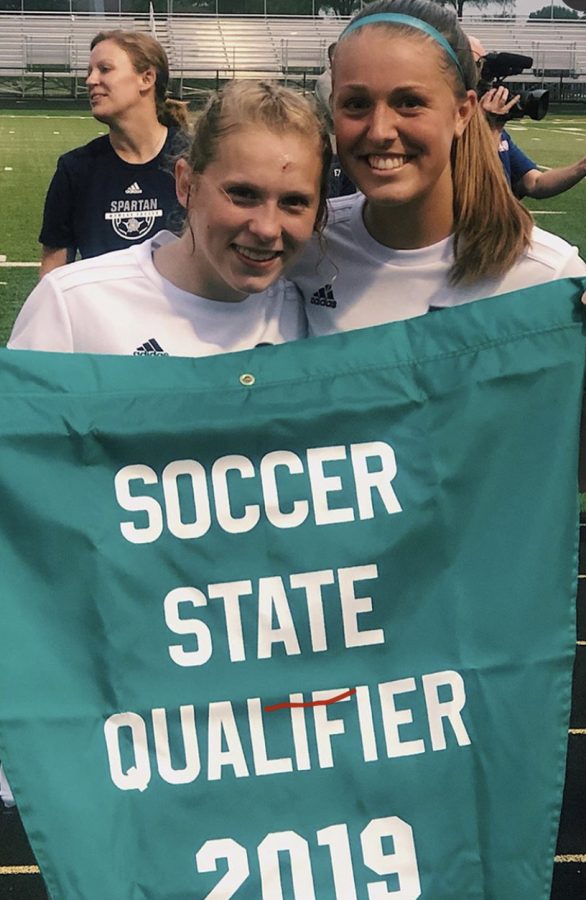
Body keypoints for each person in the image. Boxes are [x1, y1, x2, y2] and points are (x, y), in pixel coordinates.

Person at [290, 0, 586, 337]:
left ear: (462, 113)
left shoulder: (551, 279)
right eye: (356, 104)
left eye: (410, 102)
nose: (380, 131)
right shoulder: (303, 250)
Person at [9, 81, 330, 356]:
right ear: (186, 184)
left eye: (294, 202)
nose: (266, 228)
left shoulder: (312, 310)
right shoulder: (71, 305)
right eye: (242, 194)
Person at [38, 30, 190, 278]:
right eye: (90, 72)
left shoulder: (197, 160)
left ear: (147, 78)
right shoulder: (75, 169)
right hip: (101, 317)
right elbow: (52, 271)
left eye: (104, 69)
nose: (90, 80)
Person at [469, 36, 586, 200]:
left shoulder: (500, 134)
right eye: (478, 64)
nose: (483, 73)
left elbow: (535, 182)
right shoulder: (456, 131)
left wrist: (582, 166)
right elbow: (481, 194)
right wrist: (492, 131)